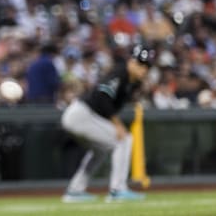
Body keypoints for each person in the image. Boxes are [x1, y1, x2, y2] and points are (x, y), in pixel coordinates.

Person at [61, 44, 155, 203]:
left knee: (101, 149)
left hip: (84, 116)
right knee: (124, 140)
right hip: (81, 114)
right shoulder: (120, 73)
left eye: (146, 66)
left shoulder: (133, 81)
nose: (143, 69)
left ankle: (75, 191)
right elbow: (102, 97)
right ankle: (118, 190)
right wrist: (117, 124)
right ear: (131, 61)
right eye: (140, 64)